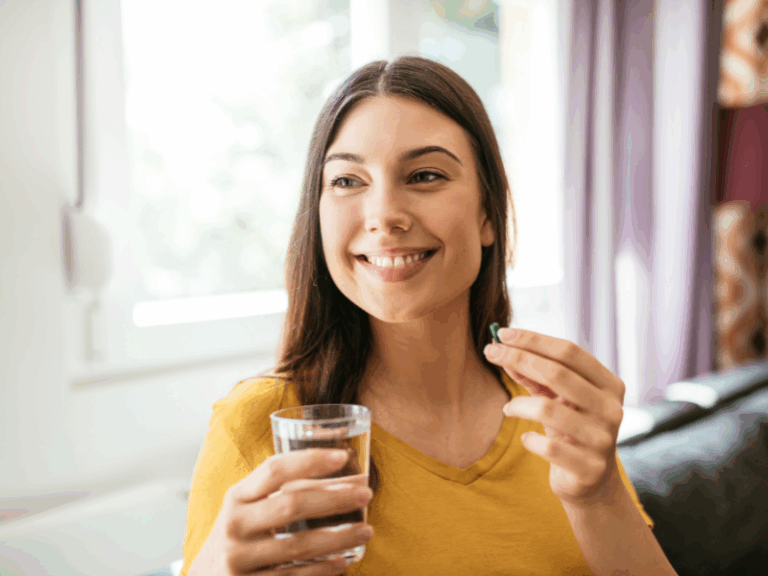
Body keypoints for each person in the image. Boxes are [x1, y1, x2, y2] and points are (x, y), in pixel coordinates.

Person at [181, 56, 678, 576]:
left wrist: (597, 497)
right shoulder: (258, 424)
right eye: (348, 181)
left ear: (488, 214)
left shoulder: (552, 410)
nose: (384, 216)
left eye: (424, 175)